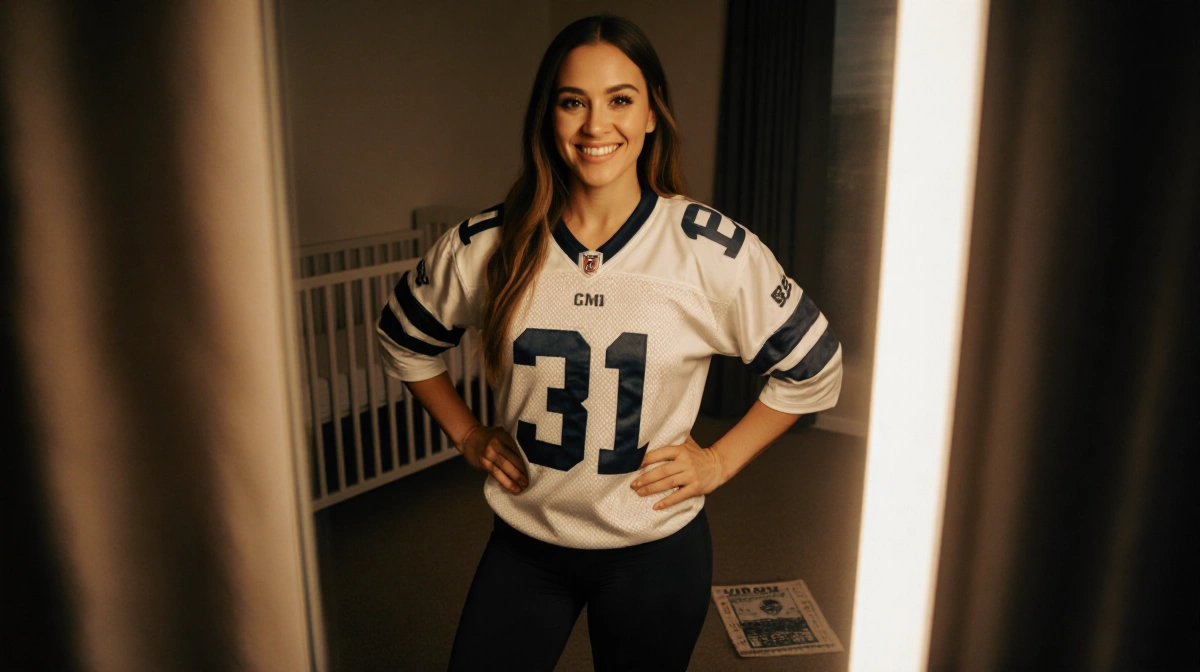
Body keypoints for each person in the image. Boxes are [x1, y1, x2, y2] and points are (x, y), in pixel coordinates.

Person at [376, 14, 842, 672]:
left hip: (655, 551)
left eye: (620, 99)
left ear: (653, 114)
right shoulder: (486, 245)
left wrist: (720, 462)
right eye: (574, 102)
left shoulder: (707, 252)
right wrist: (469, 435)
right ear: (550, 116)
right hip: (526, 542)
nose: (596, 126)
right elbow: (403, 340)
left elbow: (815, 370)